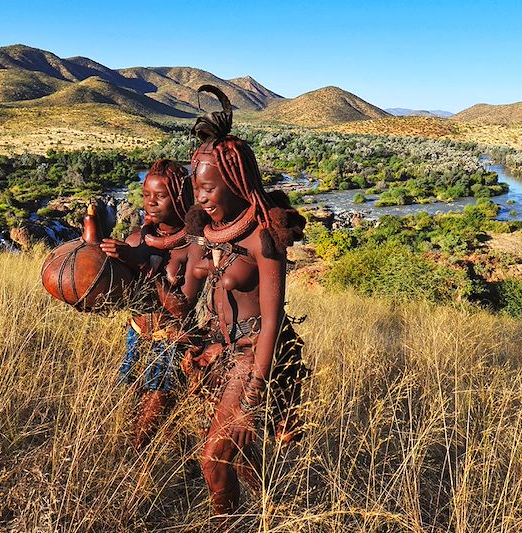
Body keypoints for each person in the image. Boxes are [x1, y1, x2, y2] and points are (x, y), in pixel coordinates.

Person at [181, 85, 308, 520]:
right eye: (196, 188)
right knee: (241, 456)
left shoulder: (263, 238)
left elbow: (272, 321)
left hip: (252, 356)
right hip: (218, 351)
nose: (201, 197)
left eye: (210, 188)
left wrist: (255, 387)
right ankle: (277, 513)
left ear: (236, 183)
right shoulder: (204, 230)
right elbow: (186, 296)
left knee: (213, 460)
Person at [99, 159, 195, 450]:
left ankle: (136, 479)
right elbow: (120, 294)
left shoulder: (193, 245)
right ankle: (181, 467)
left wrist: (140, 263)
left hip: (169, 343)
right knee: (138, 407)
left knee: (148, 420)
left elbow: (181, 308)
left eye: (160, 196)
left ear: (180, 199)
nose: (150, 203)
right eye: (146, 195)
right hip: (136, 335)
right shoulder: (135, 238)